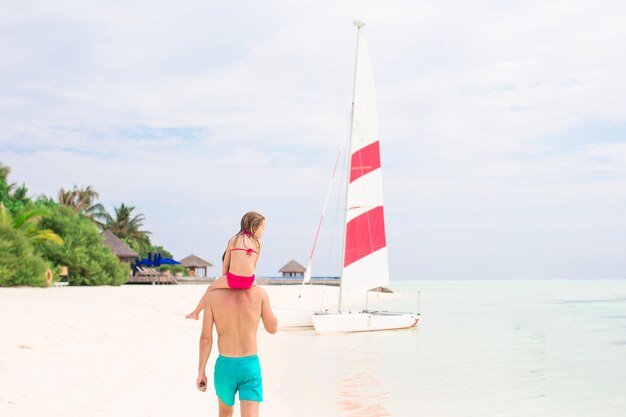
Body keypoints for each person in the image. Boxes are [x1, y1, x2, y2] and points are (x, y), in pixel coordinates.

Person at [196, 283, 278, 417]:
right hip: (250, 368)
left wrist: (201, 371)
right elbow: (272, 328)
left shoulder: (212, 297)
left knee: (225, 413)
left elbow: (206, 339)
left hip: (225, 368)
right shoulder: (259, 293)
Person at [186, 211, 265, 320]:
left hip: (233, 279)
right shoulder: (259, 243)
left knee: (210, 289)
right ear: (253, 227)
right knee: (260, 293)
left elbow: (225, 263)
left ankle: (195, 313)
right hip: (249, 281)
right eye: (262, 228)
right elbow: (254, 265)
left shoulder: (233, 240)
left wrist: (224, 277)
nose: (263, 232)